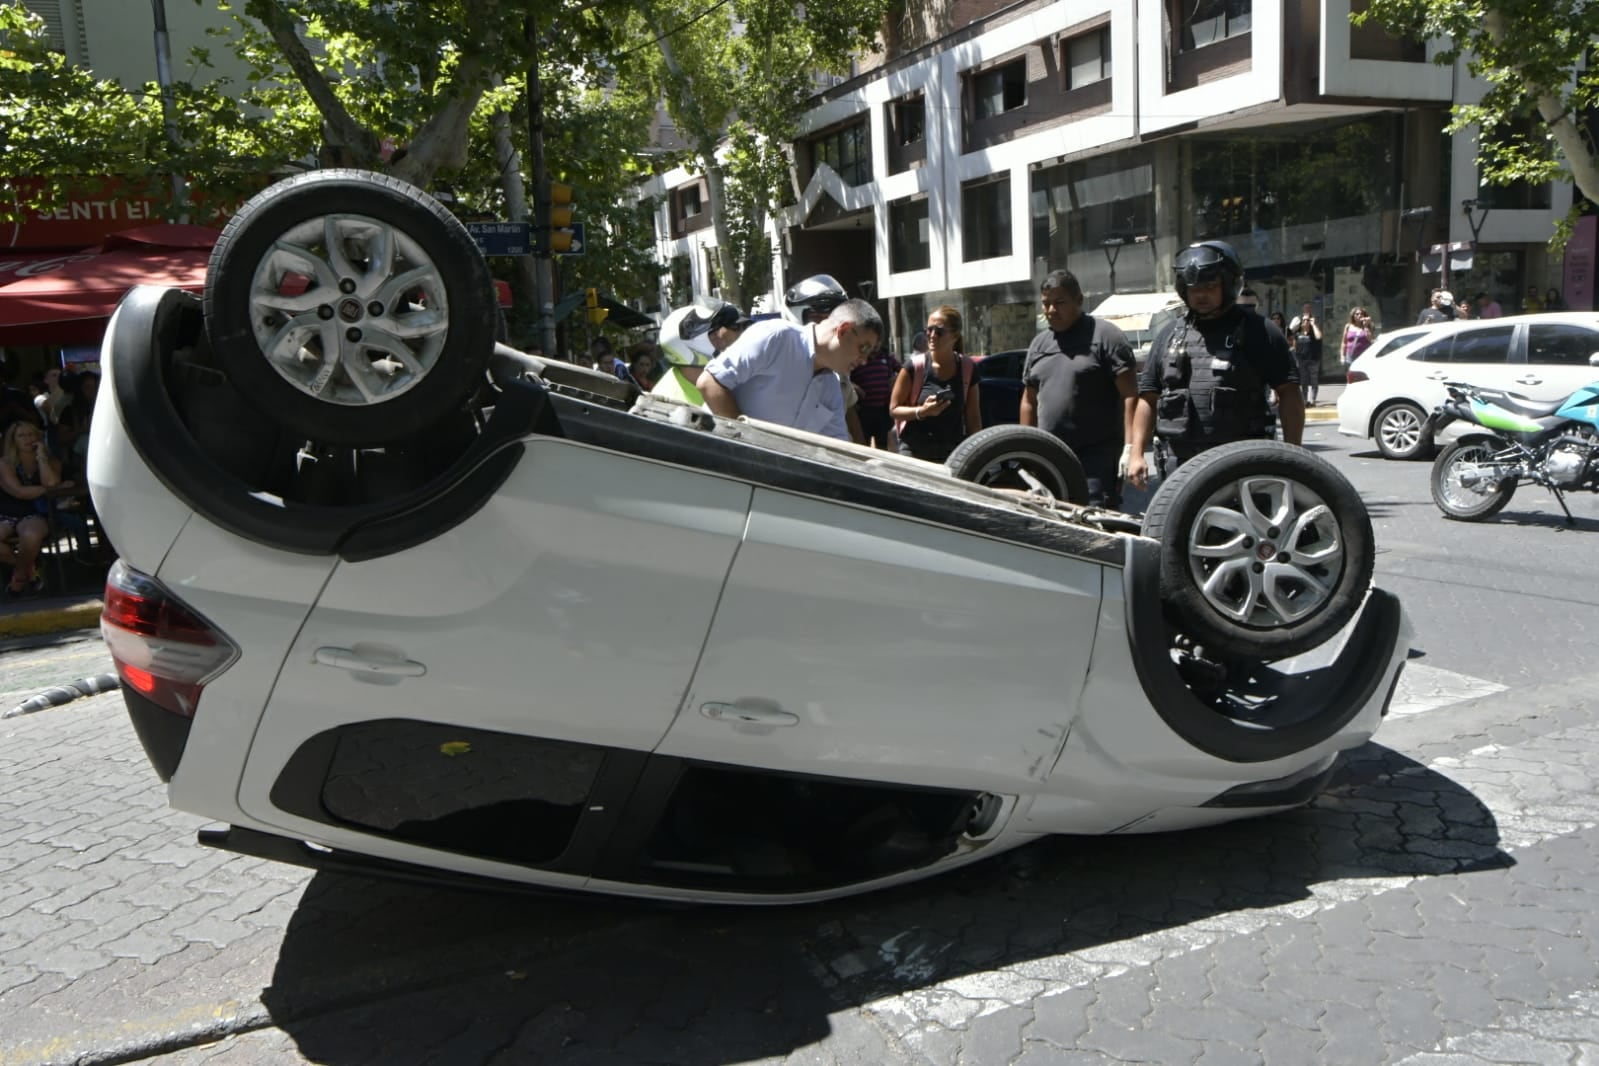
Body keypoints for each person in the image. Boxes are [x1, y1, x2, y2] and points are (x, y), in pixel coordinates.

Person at [1126, 241, 1303, 491]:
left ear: (1228, 285)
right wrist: (1136, 455)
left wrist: (1294, 456)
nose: (1201, 294)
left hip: (1242, 466)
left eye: (1210, 286)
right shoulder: (1168, 335)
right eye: (1194, 287)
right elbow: (1148, 398)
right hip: (1181, 469)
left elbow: (1289, 392)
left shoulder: (1260, 331)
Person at [1018, 269, 1136, 508]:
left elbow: (1131, 395)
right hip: (1049, 458)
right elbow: (1029, 400)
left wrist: (1131, 448)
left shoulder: (1106, 336)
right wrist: (1025, 447)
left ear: (1078, 300)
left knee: (1094, 524)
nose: (1051, 310)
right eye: (1046, 304)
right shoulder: (1039, 344)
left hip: (1095, 460)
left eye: (1060, 303)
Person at [695, 298, 882, 441]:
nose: (864, 361)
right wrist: (744, 442)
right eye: (864, 348)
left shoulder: (831, 386)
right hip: (708, 463)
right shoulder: (776, 337)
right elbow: (709, 382)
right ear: (843, 330)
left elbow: (838, 449)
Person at [889, 305, 982, 462]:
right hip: (914, 452)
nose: (932, 335)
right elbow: (894, 410)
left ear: (955, 336)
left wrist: (977, 454)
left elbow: (973, 419)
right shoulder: (914, 367)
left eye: (939, 331)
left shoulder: (967, 368)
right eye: (929, 330)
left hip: (953, 454)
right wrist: (922, 411)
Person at [1, 421, 70, 597]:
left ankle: (18, 580)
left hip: (35, 513)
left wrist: (41, 457)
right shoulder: (5, 463)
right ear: (13, 440)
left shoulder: (50, 460)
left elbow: (51, 481)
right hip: (7, 513)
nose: (27, 439)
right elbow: (19, 492)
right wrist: (53, 489)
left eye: (31, 434)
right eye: (21, 436)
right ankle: (30, 570)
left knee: (31, 535)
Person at [850, 345, 901, 449]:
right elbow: (845, 377)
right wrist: (852, 385)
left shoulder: (886, 358)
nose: (873, 348)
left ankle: (882, 464)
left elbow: (904, 370)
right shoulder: (857, 359)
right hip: (863, 410)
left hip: (883, 410)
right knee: (862, 444)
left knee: (883, 444)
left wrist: (897, 378)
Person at [1287, 302, 1323, 405]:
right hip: (1302, 360)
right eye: (1304, 320)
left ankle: (1313, 400)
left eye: (1308, 320)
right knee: (1304, 381)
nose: (1306, 321)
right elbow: (1294, 344)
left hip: (1314, 359)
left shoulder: (1314, 329)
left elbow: (1319, 337)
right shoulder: (1298, 332)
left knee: (1314, 381)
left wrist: (1313, 324)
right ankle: (1304, 400)